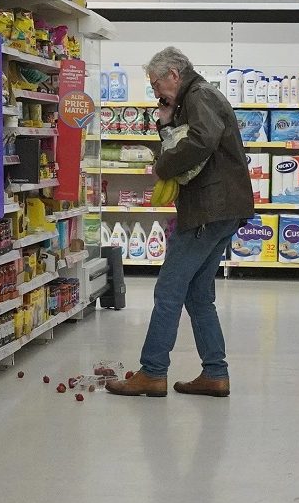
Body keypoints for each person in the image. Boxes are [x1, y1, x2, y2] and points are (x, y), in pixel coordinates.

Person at [106, 47, 255, 398]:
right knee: (198, 295)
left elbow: (202, 140)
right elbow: (187, 140)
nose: (155, 92)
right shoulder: (192, 99)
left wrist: (163, 167)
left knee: (169, 290)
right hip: (220, 209)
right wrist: (166, 123)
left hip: (209, 208)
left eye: (156, 84)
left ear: (173, 75)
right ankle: (215, 373)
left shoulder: (200, 95)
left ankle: (153, 371)